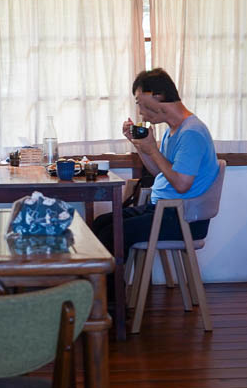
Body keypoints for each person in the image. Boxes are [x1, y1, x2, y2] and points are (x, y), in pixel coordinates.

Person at [91, 68, 219, 287]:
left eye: (140, 102)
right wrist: (141, 146)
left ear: (157, 96)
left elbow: (180, 183)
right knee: (102, 222)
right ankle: (104, 298)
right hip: (163, 209)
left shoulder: (191, 133)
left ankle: (111, 305)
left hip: (183, 218)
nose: (140, 111)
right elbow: (161, 172)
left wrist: (153, 150)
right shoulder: (174, 129)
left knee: (113, 232)